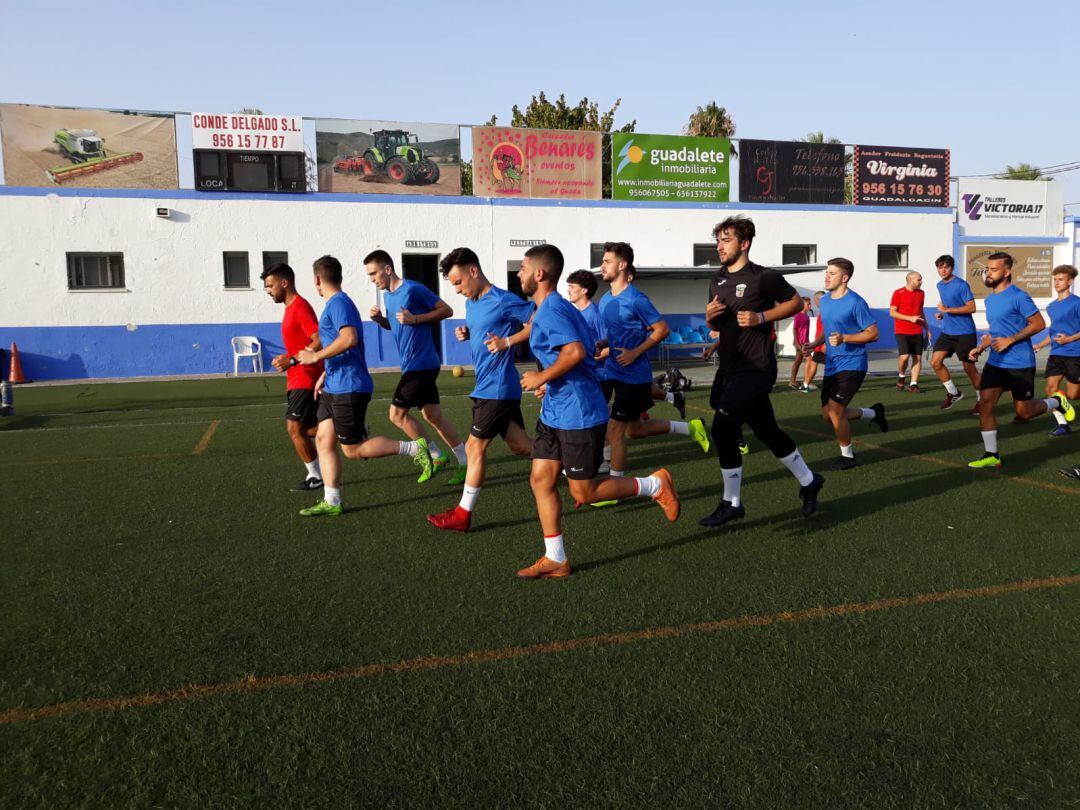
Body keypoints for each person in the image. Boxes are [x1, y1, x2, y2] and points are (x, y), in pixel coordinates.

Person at [514, 244, 680, 579]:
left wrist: (542, 376)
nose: (519, 273)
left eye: (523, 267)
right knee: (540, 478)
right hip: (555, 410)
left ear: (540, 273)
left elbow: (575, 352)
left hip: (578, 413)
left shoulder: (552, 311)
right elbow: (586, 351)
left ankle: (654, 485)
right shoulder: (557, 308)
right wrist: (551, 381)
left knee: (584, 492)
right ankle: (556, 558)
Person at [699, 216, 824, 528]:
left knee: (722, 429)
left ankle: (732, 503)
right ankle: (810, 481)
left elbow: (796, 303)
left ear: (744, 243)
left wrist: (761, 317)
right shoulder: (717, 279)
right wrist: (709, 317)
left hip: (755, 368)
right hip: (729, 367)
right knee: (767, 431)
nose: (719, 246)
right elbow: (716, 325)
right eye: (718, 240)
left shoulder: (763, 277)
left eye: (726, 240)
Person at [295, 256, 434, 516]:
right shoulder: (334, 305)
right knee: (324, 440)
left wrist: (316, 357)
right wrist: (324, 373)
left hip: (349, 387)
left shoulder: (339, 304)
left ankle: (415, 447)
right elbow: (340, 344)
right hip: (334, 385)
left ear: (317, 279)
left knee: (353, 449)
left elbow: (349, 338)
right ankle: (332, 500)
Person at [426, 248, 536, 532]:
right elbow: (488, 330)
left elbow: (537, 322)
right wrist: (469, 334)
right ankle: (570, 463)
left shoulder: (502, 299)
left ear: (473, 271)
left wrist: (508, 342)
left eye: (459, 281)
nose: (457, 289)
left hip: (496, 387)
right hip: (490, 386)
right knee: (520, 445)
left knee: (475, 447)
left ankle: (463, 514)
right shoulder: (472, 303)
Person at [595, 242, 710, 481]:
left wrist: (635, 353)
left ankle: (617, 485)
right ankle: (691, 428)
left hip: (633, 375)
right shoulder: (606, 298)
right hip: (611, 370)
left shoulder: (637, 299)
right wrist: (604, 343)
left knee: (615, 432)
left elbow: (661, 330)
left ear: (622, 264)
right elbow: (622, 330)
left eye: (607, 261)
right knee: (635, 431)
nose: (602, 265)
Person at [364, 249, 467, 484]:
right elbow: (397, 325)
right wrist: (381, 321)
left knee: (396, 414)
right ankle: (465, 462)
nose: (372, 279)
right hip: (413, 365)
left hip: (421, 364)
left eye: (374, 273)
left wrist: (416, 319)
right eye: (369, 275)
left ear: (388, 269)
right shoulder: (388, 297)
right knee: (433, 416)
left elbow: (446, 310)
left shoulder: (412, 289)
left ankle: (434, 454)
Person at [966, 252, 1073, 469]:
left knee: (1024, 413)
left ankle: (1057, 402)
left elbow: (1039, 324)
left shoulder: (1018, 296)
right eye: (987, 269)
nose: (988, 273)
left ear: (1007, 273)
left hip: (1020, 363)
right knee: (986, 404)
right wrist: (981, 346)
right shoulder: (990, 299)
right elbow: (997, 331)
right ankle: (992, 454)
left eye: (994, 269)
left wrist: (1011, 340)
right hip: (996, 362)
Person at [566, 269, 687, 424]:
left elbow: (618, 341)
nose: (568, 289)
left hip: (605, 373)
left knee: (601, 419)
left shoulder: (597, 313)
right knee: (631, 428)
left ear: (584, 290)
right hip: (603, 371)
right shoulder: (597, 305)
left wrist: (597, 353)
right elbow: (609, 339)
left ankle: (606, 445)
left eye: (571, 286)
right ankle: (677, 410)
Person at [802, 258, 889, 470]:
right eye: (827, 272)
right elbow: (829, 328)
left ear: (845, 278)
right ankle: (873, 413)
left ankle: (848, 457)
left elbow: (873, 333)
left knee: (834, 412)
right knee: (827, 415)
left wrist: (845, 338)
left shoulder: (856, 302)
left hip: (853, 363)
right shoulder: (826, 301)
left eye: (832, 273)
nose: (826, 276)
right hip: (832, 363)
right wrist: (814, 343)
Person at [262, 262, 324, 492]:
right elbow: (302, 344)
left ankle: (316, 476)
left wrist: (293, 360)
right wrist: (287, 357)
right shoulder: (289, 309)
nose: (268, 291)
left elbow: (318, 340)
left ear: (284, 283)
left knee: (294, 428)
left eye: (270, 285)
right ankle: (345, 430)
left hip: (306, 377)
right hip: (297, 377)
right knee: (307, 429)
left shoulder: (300, 307)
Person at [929, 255, 982, 412]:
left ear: (952, 268)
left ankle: (982, 400)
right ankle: (954, 393)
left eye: (946, 267)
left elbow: (971, 307)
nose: (943, 270)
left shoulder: (961, 285)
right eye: (940, 267)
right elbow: (947, 305)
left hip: (965, 332)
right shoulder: (939, 285)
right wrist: (943, 314)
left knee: (969, 368)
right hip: (947, 332)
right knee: (935, 362)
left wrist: (948, 310)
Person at [1033, 264, 1080, 437]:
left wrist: (1069, 339)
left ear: (1070, 281)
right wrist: (1040, 344)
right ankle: (1063, 425)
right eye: (1055, 279)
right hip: (1056, 354)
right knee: (1050, 388)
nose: (1057, 283)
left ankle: (1064, 402)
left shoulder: (1077, 303)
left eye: (1060, 279)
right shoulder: (1052, 306)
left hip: (1075, 353)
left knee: (1074, 395)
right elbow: (1053, 332)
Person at [890, 271, 930, 393]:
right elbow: (892, 312)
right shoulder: (898, 293)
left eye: (921, 279)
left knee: (917, 358)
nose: (921, 281)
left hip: (917, 331)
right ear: (910, 280)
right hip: (902, 330)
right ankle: (901, 376)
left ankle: (913, 384)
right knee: (904, 357)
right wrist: (910, 318)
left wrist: (927, 329)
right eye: (919, 279)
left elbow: (921, 311)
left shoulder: (921, 293)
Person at [800, 291, 826, 392]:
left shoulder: (825, 312)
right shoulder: (822, 312)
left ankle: (806, 385)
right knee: (813, 361)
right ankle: (806, 384)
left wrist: (824, 344)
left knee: (814, 362)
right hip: (817, 343)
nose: (814, 303)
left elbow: (829, 328)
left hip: (822, 344)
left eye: (814, 301)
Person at [789, 296, 811, 390]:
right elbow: (794, 329)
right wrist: (797, 343)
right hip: (799, 342)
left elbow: (807, 331)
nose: (810, 306)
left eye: (810, 304)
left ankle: (800, 381)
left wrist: (808, 341)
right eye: (808, 304)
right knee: (807, 360)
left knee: (800, 361)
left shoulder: (807, 317)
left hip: (805, 342)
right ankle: (794, 381)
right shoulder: (798, 316)